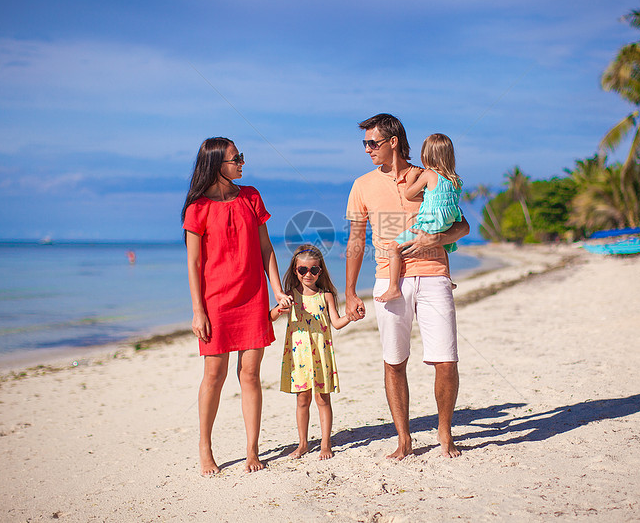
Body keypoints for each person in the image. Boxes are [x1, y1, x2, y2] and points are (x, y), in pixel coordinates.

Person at [344, 113, 469, 459]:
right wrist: (350, 292)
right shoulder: (362, 185)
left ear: (393, 142)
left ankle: (445, 432)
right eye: (365, 143)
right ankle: (404, 439)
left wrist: (436, 237)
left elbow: (464, 226)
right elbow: (356, 240)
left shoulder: (427, 175)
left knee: (446, 360)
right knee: (394, 361)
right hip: (388, 279)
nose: (367, 149)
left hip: (434, 273)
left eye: (373, 142)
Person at [182, 137, 291, 475]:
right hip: (215, 302)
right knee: (214, 375)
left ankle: (252, 451)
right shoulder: (197, 208)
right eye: (236, 158)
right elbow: (194, 264)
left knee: (251, 375)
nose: (242, 162)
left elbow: (266, 248)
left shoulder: (251, 197)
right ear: (218, 165)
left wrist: (276, 289)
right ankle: (205, 447)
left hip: (252, 297)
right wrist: (198, 310)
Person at [270, 245, 350, 460]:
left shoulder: (326, 296)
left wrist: (351, 316)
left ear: (320, 271)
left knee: (323, 399)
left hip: (321, 353)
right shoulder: (289, 296)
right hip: (299, 356)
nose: (308, 274)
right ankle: (303, 443)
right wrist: (280, 308)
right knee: (302, 400)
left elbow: (336, 322)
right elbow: (270, 317)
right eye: (302, 270)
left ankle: (325, 443)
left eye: (313, 270)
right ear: (295, 270)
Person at [375, 133, 463, 303]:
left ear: (426, 155)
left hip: (430, 223)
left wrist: (413, 175)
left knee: (393, 247)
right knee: (442, 246)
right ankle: (448, 279)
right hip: (448, 222)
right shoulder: (455, 180)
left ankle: (393, 288)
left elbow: (409, 194)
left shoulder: (429, 174)